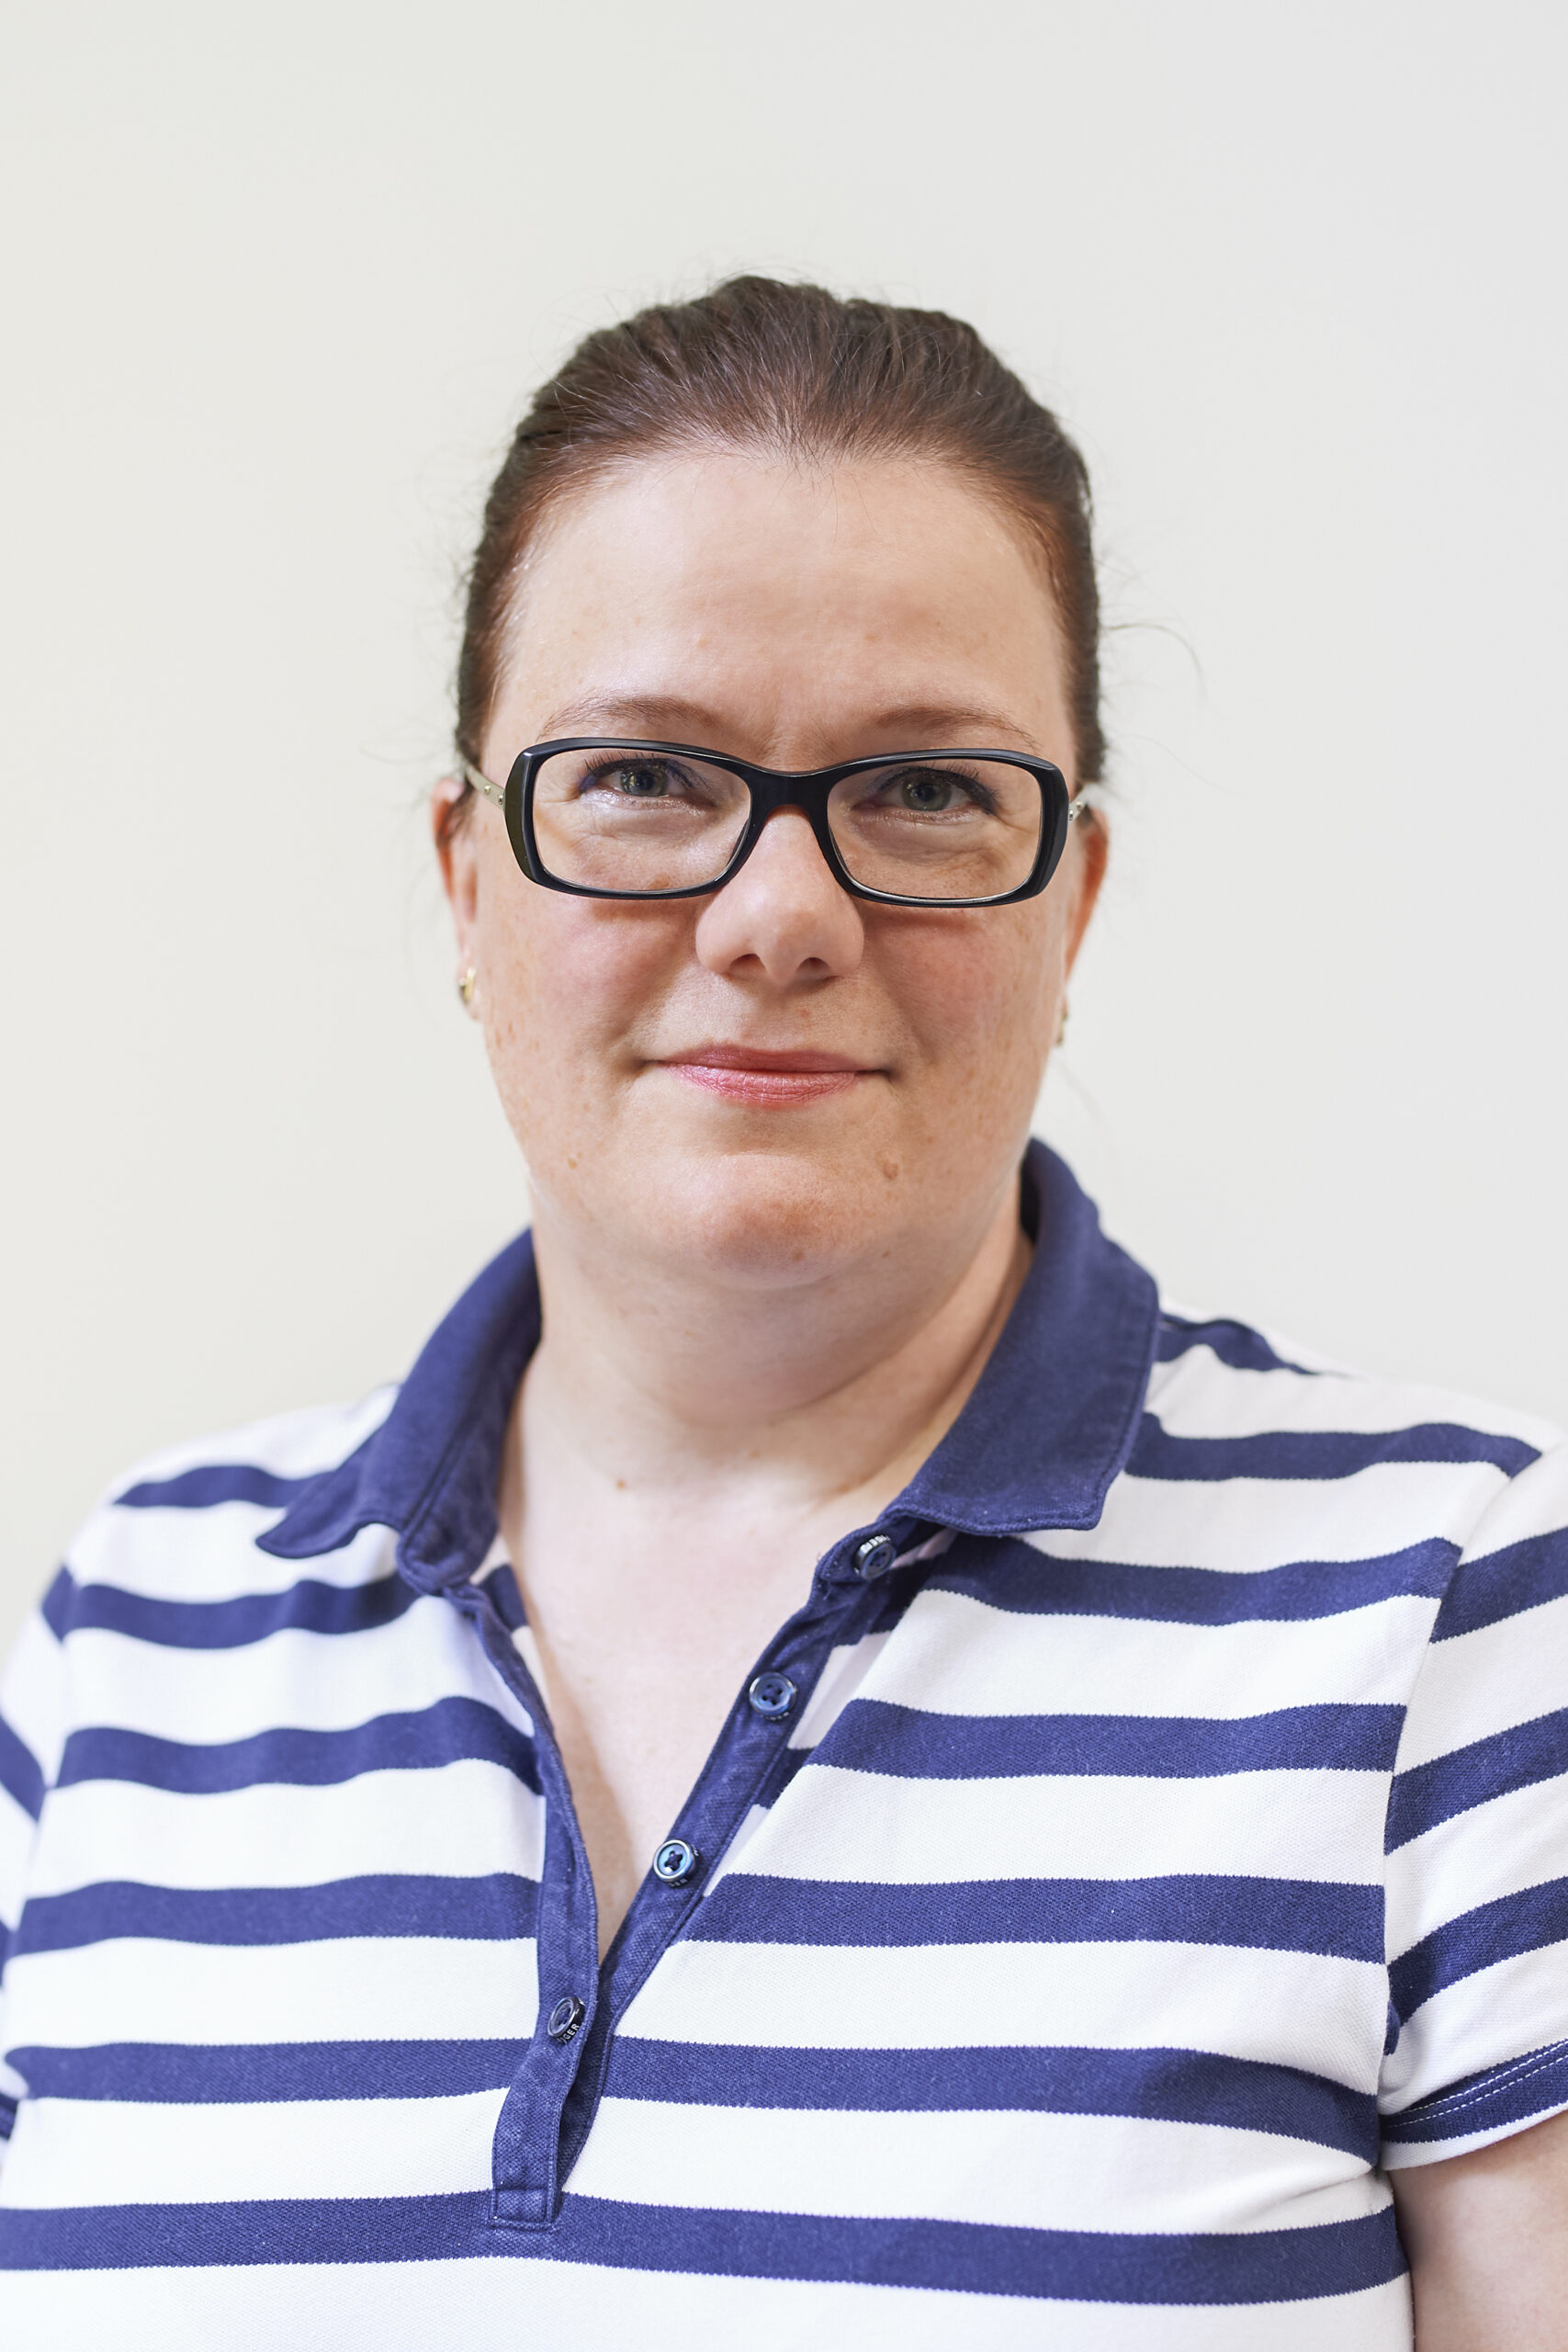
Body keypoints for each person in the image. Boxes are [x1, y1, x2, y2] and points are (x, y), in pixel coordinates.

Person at [1, 277, 1565, 2352]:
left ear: (1071, 896)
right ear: (467, 879)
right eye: (645, 773)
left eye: (926, 792)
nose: (778, 918)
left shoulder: (1454, 1612)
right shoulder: (135, 1626)